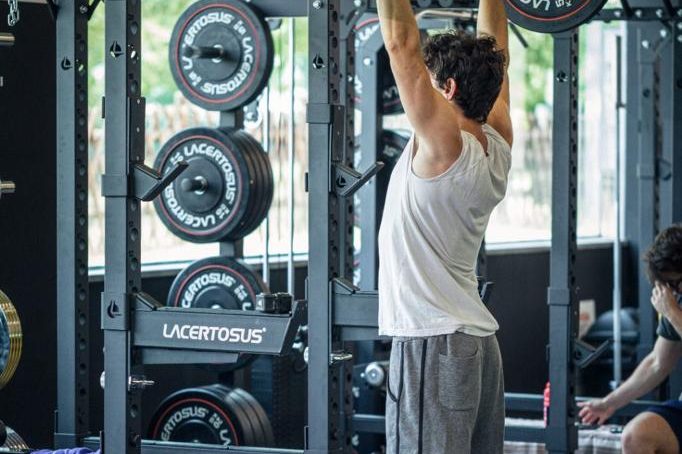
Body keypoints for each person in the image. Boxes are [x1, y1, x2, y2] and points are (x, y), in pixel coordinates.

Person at [375, 0, 513, 452]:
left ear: (448, 88)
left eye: (431, 85)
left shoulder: (444, 145)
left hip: (433, 344)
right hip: (477, 347)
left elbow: (400, 45)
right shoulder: (497, 141)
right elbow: (498, 57)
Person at [579, 224, 682, 454]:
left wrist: (673, 313)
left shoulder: (674, 310)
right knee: (635, 436)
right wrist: (609, 403)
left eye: (676, 283)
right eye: (668, 286)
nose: (674, 292)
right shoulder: (676, 303)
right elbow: (657, 363)